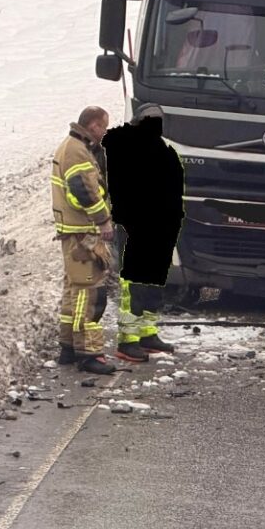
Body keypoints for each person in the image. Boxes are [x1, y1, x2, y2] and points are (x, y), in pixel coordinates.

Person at [103, 104, 184, 363]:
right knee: (134, 288)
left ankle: (148, 334)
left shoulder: (163, 150)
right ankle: (128, 341)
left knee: (153, 286)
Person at [52, 106, 119, 375]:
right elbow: (83, 191)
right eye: (104, 127)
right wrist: (103, 220)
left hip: (74, 231)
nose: (105, 132)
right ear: (93, 126)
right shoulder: (77, 151)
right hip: (82, 233)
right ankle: (88, 353)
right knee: (89, 294)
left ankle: (68, 347)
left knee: (74, 290)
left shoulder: (71, 147)